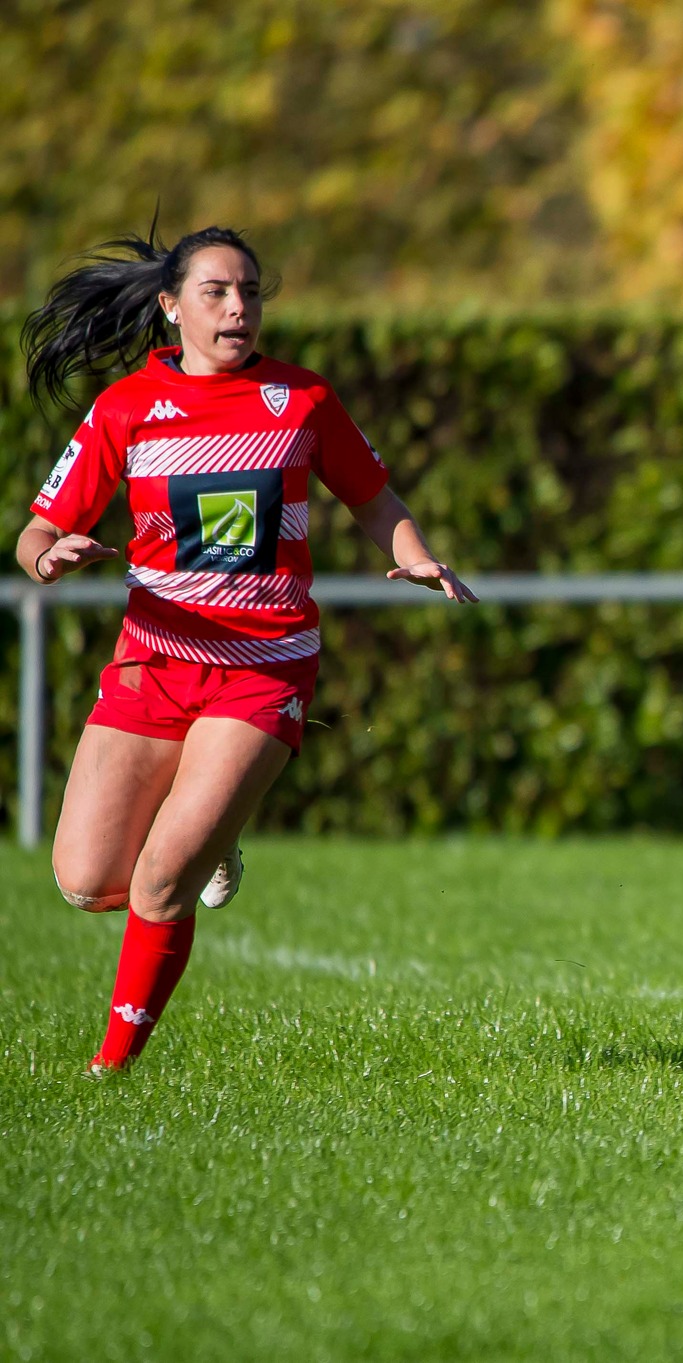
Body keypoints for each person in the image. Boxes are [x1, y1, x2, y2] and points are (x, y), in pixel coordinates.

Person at [15, 225, 478, 1073]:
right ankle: (212, 838)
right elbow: (37, 530)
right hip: (152, 661)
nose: (239, 308)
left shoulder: (301, 399)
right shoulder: (125, 408)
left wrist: (415, 557)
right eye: (217, 293)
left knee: (159, 881)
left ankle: (109, 1070)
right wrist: (49, 556)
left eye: (252, 292)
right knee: (86, 882)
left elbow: (376, 501)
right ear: (170, 307)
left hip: (265, 666)